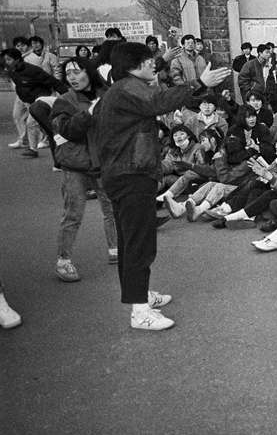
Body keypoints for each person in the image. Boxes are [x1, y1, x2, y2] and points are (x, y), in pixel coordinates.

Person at [94, 42, 230, 330]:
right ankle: (139, 311)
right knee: (138, 244)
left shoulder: (120, 89)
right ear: (136, 66)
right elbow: (160, 101)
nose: (153, 67)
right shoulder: (128, 88)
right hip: (131, 175)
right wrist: (199, 82)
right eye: (149, 62)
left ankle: (140, 295)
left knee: (131, 241)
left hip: (125, 174)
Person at [49, 57, 118, 280]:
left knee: (111, 208)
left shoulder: (107, 94)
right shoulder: (64, 101)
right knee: (73, 213)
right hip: (75, 164)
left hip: (103, 162)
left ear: (89, 72)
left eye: (77, 72)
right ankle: (63, 261)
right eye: (68, 73)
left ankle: (116, 249)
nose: (72, 77)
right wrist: (88, 113)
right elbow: (66, 130)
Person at [3, 46, 67, 158]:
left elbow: (53, 82)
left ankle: (34, 149)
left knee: (31, 123)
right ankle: (57, 140)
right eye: (5, 60)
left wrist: (68, 96)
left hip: (41, 100)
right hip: (28, 100)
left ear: (17, 59)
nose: (6, 62)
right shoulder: (12, 71)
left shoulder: (33, 70)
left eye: (9, 59)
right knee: (41, 125)